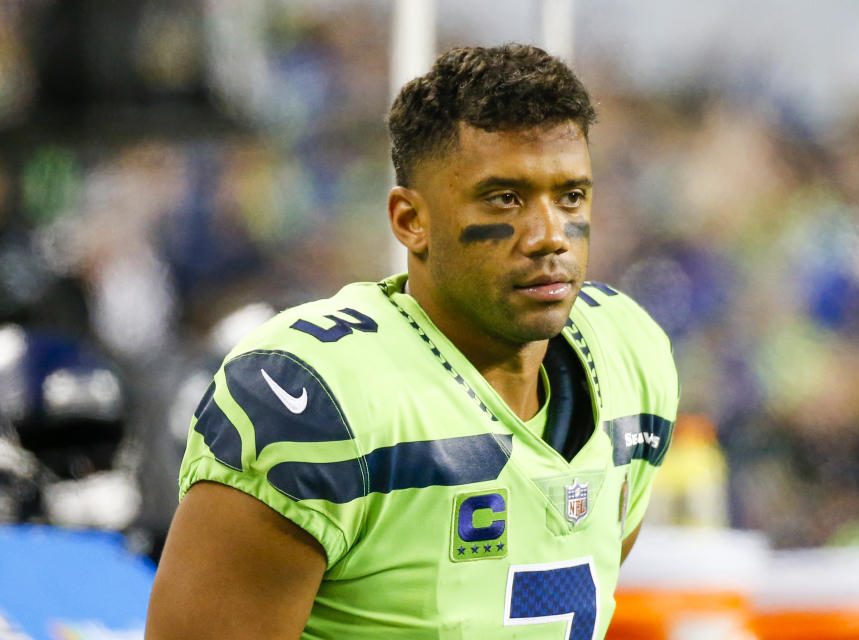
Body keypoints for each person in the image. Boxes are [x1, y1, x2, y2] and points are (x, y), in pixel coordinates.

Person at [146, 43, 679, 639]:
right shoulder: (312, 398)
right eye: (505, 197)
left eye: (570, 196)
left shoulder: (631, 355)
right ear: (409, 221)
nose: (550, 235)